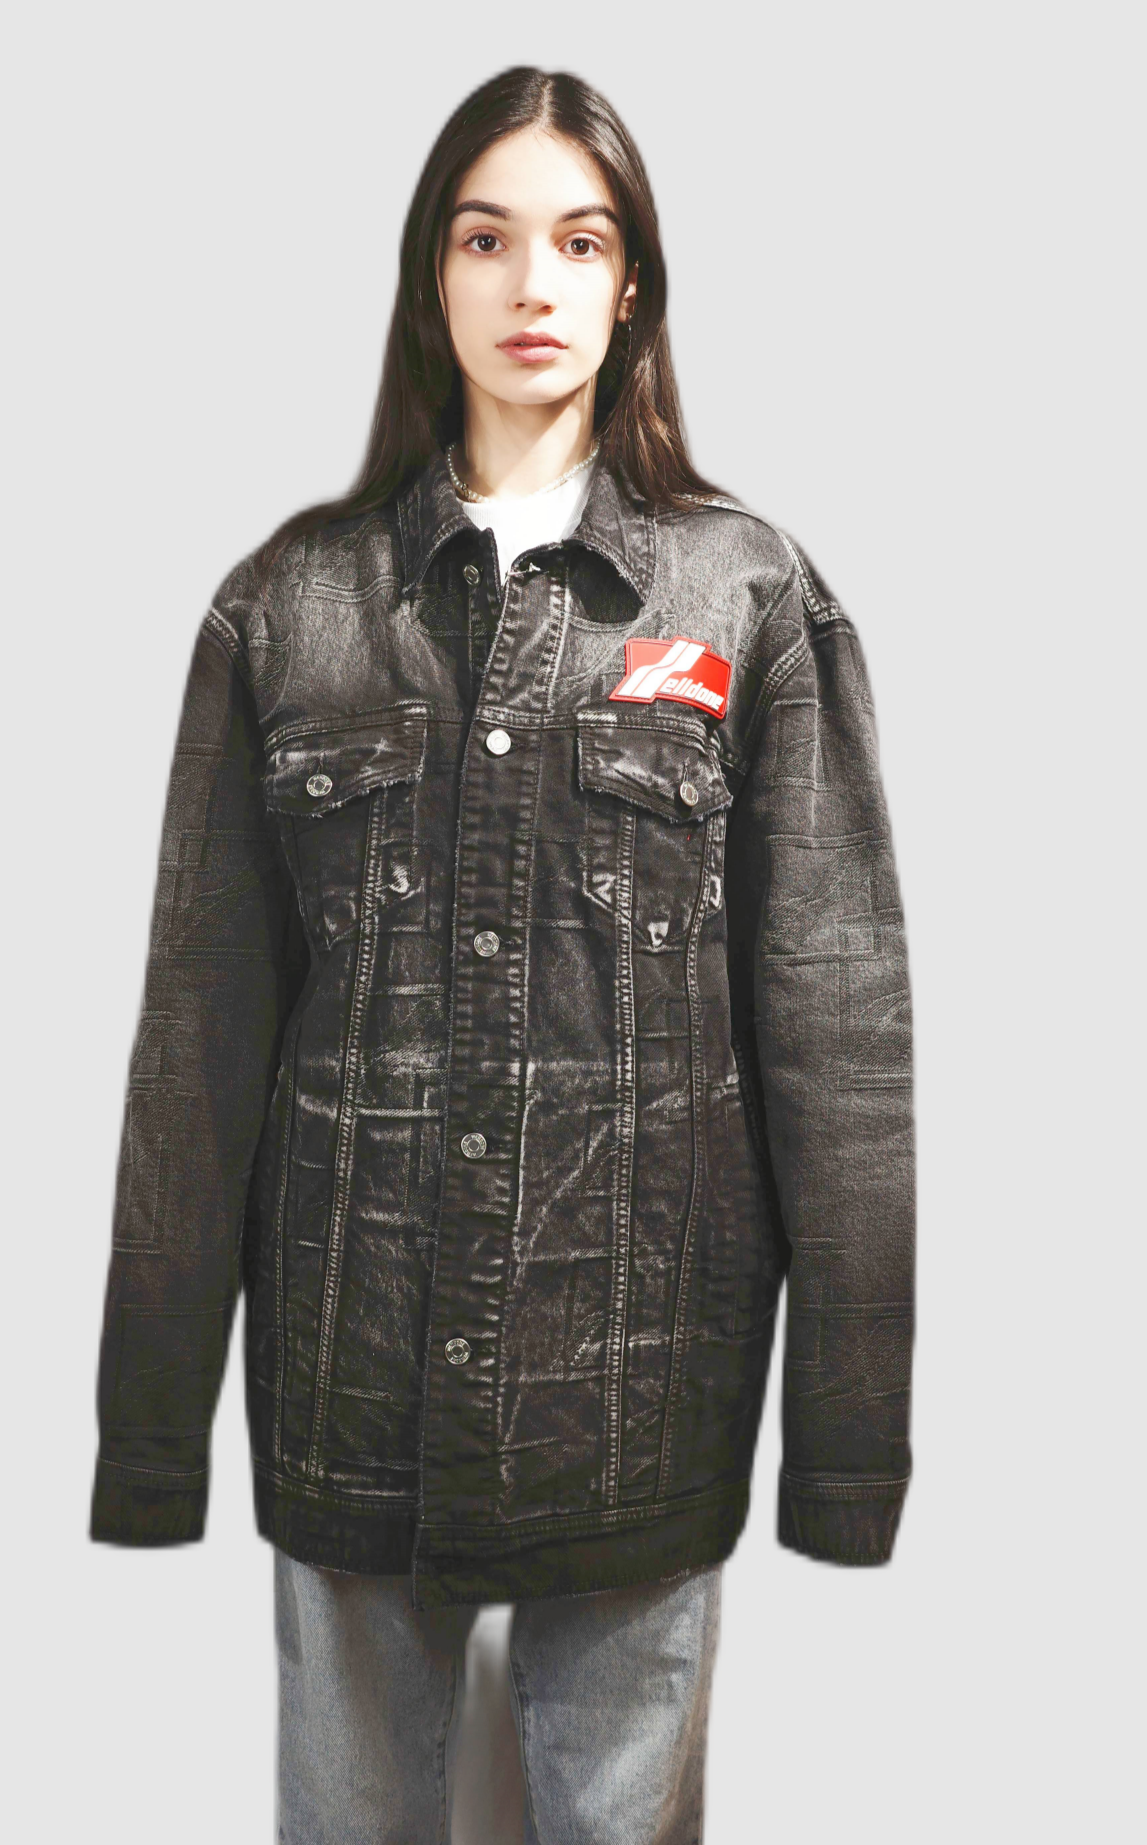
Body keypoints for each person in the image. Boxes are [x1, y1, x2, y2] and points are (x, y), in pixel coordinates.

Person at [89, 65, 915, 1844]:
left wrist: (846, 1448)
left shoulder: (746, 598)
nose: (533, 283)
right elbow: (198, 1045)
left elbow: (838, 1045)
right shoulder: (289, 607)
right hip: (347, 1381)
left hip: (644, 1393)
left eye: (579, 240)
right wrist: (151, 1436)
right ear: (430, 278)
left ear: (633, 288)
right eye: (487, 239)